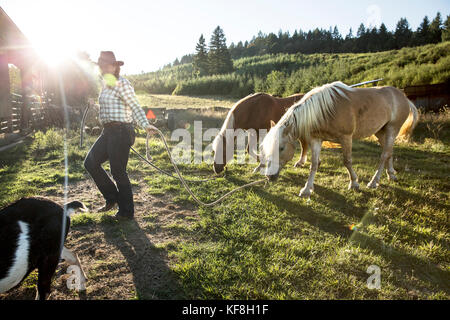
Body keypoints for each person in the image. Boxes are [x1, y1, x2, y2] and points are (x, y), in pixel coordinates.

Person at [84, 51, 157, 221]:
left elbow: (135, 106)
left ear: (115, 66)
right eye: (101, 66)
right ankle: (112, 199)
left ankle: (127, 212)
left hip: (121, 131)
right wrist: (94, 105)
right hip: (108, 131)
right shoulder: (105, 84)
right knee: (90, 163)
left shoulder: (123, 84)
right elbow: (110, 109)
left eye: (106, 65)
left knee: (118, 171)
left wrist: (145, 125)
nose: (103, 68)